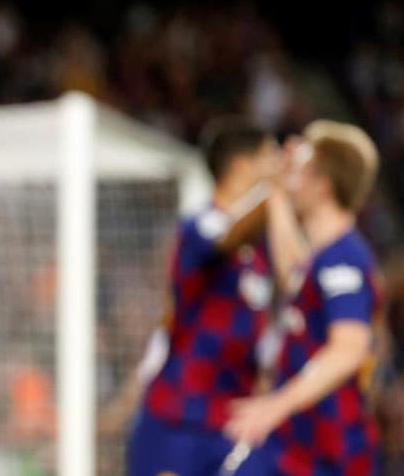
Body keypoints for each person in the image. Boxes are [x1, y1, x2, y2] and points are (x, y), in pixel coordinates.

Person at [225, 121, 381, 475]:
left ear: (322, 185)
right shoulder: (324, 257)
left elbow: (349, 348)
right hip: (298, 443)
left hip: (328, 449)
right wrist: (278, 192)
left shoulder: (344, 259)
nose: (292, 178)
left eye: (300, 171)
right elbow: (293, 272)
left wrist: (276, 405)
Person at [127, 119, 277, 476]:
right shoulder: (199, 226)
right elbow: (227, 237)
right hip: (179, 417)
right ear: (242, 165)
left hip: (233, 420)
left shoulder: (260, 250)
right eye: (270, 157)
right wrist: (276, 192)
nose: (278, 167)